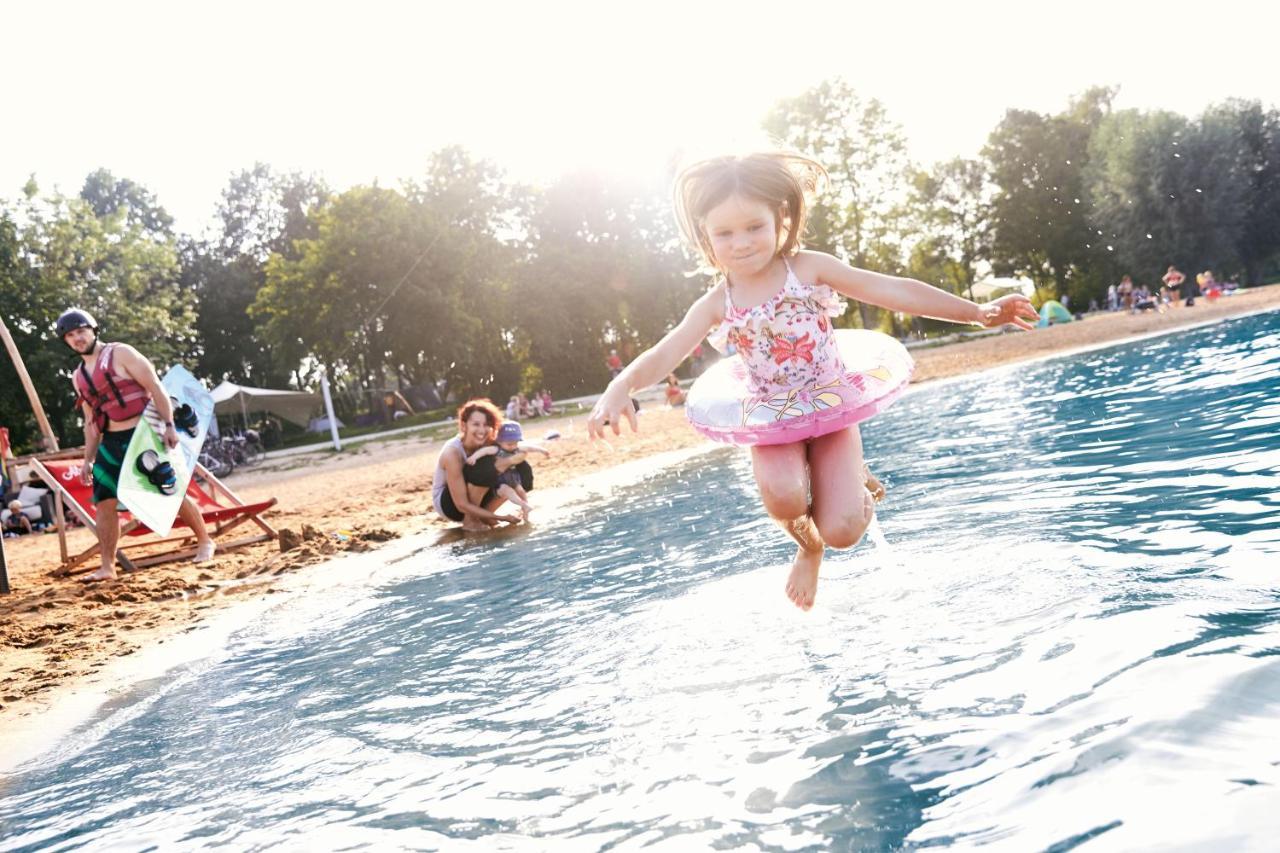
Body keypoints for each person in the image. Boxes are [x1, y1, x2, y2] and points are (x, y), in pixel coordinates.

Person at [588, 151, 1037, 611]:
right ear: (706, 235)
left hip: (830, 405)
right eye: (725, 232)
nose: (741, 243)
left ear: (780, 218)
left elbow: (892, 288)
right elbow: (667, 350)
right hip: (774, 416)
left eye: (754, 227)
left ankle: (852, 486)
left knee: (843, 531)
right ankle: (808, 547)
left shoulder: (807, 270)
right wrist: (620, 387)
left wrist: (976, 312)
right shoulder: (717, 303)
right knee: (784, 499)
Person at [57, 308, 215, 581]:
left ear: (93, 330)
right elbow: (91, 421)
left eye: (81, 331)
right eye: (70, 335)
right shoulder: (78, 376)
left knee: (167, 489)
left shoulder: (121, 353)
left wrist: (168, 425)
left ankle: (204, 540)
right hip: (111, 440)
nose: (77, 338)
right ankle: (108, 567)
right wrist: (88, 459)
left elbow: (155, 387)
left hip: (144, 434)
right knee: (104, 501)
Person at [432, 398, 532, 531]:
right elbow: (461, 504)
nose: (482, 430)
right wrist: (501, 518)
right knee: (485, 468)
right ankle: (471, 521)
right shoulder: (452, 453)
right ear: (463, 426)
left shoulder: (488, 442)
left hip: (476, 499)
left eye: (486, 425)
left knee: (522, 469)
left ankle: (484, 517)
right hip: (451, 506)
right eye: (476, 424)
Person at [466, 421, 550, 522]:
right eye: (509, 444)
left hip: (513, 477)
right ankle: (523, 505)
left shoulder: (517, 448)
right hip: (500, 480)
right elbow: (484, 451)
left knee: (521, 491)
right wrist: (474, 457)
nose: (512, 446)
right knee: (508, 492)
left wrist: (542, 451)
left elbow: (530, 447)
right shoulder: (496, 449)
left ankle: (525, 510)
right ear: (499, 441)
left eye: (515, 443)